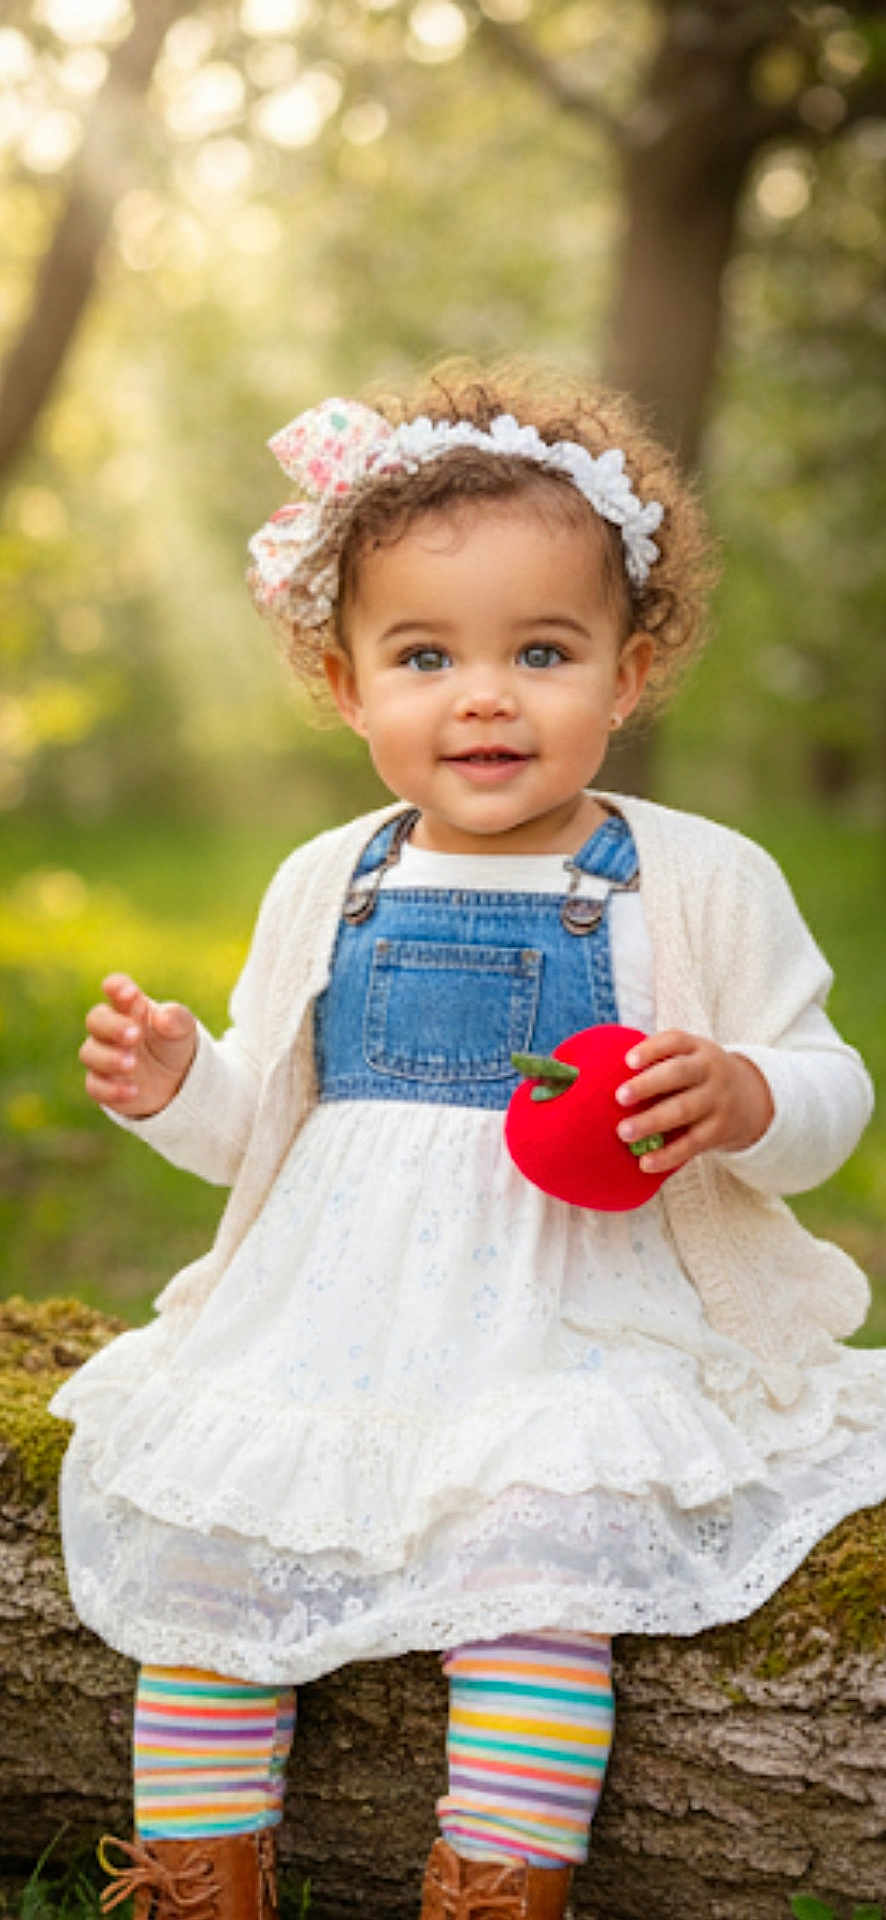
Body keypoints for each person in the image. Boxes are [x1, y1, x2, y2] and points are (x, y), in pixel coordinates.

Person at [51, 363, 885, 1920]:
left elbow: (830, 1086)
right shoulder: (327, 878)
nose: (483, 695)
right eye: (424, 655)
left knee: (535, 1579)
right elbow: (266, 1134)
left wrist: (748, 1095)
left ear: (629, 673)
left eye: (541, 652)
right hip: (329, 1329)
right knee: (209, 1570)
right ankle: (198, 1880)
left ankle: (495, 1890)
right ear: (345, 681)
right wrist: (178, 1086)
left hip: (571, 1334)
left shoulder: (696, 880)